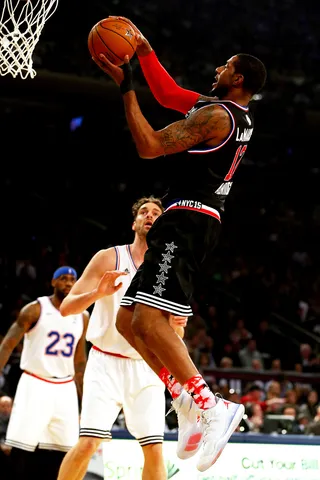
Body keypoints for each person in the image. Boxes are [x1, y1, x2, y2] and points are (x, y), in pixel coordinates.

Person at [94, 16, 267, 473]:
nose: (218, 68)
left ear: (240, 78)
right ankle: (184, 399)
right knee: (131, 321)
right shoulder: (224, 112)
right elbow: (170, 96)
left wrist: (126, 84)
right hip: (191, 218)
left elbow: (149, 146)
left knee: (151, 320)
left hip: (189, 219)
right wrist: (146, 51)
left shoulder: (216, 116)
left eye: (226, 65)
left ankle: (211, 405)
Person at [57, 196, 188, 480]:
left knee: (154, 448)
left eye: (156, 213)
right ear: (134, 223)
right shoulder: (109, 257)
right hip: (105, 362)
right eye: (144, 212)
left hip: (147, 365)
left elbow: (174, 334)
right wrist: (98, 294)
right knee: (89, 442)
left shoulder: (169, 269)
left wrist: (178, 325)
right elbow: (67, 307)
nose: (150, 216)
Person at [0, 266, 90, 480]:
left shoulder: (83, 316)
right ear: (53, 282)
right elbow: (7, 345)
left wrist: (84, 399)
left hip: (65, 387)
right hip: (35, 382)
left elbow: (79, 360)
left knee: (66, 448)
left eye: (72, 279)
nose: (68, 283)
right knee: (22, 446)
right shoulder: (35, 309)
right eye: (63, 279)